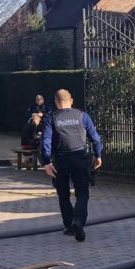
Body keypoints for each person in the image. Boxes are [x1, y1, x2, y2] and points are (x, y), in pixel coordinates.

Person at [41, 89, 103, 242]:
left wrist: (46, 162)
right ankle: (79, 221)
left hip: (60, 160)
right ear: (72, 100)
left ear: (56, 102)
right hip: (79, 157)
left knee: (63, 194)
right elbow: (95, 138)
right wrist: (98, 155)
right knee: (82, 192)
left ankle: (69, 226)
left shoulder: (51, 117)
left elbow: (46, 141)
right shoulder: (82, 116)